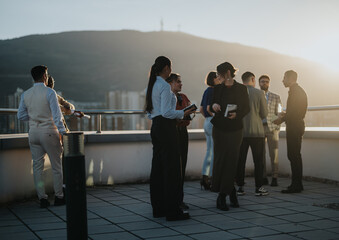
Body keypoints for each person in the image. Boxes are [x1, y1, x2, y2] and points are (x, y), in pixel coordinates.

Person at [145, 56, 195, 221]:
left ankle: (158, 208)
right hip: (166, 128)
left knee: (158, 169)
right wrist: (183, 113)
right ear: (166, 68)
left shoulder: (152, 85)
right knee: (172, 170)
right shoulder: (164, 86)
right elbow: (167, 112)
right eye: (170, 67)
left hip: (156, 127)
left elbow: (151, 111)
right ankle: (173, 211)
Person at [17, 65, 66, 208]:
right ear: (45, 76)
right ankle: (59, 197)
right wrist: (63, 133)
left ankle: (42, 199)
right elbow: (57, 117)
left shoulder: (25, 94)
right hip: (49, 132)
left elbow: (20, 116)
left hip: (33, 133)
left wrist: (34, 120)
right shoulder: (50, 92)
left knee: (37, 168)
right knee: (57, 167)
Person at [211, 62, 250, 211]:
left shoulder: (241, 88)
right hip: (219, 128)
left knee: (232, 161)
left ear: (228, 73)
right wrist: (214, 105)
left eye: (219, 74)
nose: (218, 77)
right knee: (220, 160)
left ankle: (222, 195)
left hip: (235, 129)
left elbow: (246, 108)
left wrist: (237, 114)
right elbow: (212, 104)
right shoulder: (218, 88)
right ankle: (230, 191)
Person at [274, 70, 307, 193]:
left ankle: (296, 185)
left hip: (294, 127)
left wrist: (281, 119)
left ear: (289, 78)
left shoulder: (295, 92)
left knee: (294, 155)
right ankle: (297, 183)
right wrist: (285, 115)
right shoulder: (298, 91)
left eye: (284, 78)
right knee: (294, 155)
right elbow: (295, 111)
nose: (282, 80)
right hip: (296, 125)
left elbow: (294, 113)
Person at [235, 72, 268, 196]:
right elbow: (264, 114)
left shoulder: (237, 93)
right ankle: (259, 188)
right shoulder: (259, 93)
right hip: (257, 132)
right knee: (258, 161)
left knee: (240, 160)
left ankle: (240, 187)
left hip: (241, 132)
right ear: (253, 79)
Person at [166, 73, 191, 210]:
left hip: (183, 132)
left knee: (182, 165)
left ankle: (179, 199)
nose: (181, 84)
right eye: (178, 82)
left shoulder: (183, 97)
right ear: (170, 83)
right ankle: (173, 199)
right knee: (174, 167)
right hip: (173, 132)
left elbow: (188, 113)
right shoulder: (168, 97)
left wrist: (188, 113)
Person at [259, 75, 282, 187]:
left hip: (272, 128)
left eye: (267, 82)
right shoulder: (256, 96)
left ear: (269, 83)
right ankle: (263, 177)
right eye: (262, 82)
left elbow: (279, 113)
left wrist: (276, 125)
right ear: (259, 83)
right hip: (259, 127)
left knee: (274, 154)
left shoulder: (276, 97)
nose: (265, 83)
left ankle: (274, 177)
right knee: (261, 154)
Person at [199, 71, 220, 190]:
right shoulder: (215, 91)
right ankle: (213, 178)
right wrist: (214, 117)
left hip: (207, 121)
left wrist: (208, 117)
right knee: (215, 151)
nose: (219, 79)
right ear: (214, 79)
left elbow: (202, 109)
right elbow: (208, 108)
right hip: (213, 121)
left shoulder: (206, 91)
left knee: (209, 151)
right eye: (217, 77)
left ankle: (204, 177)